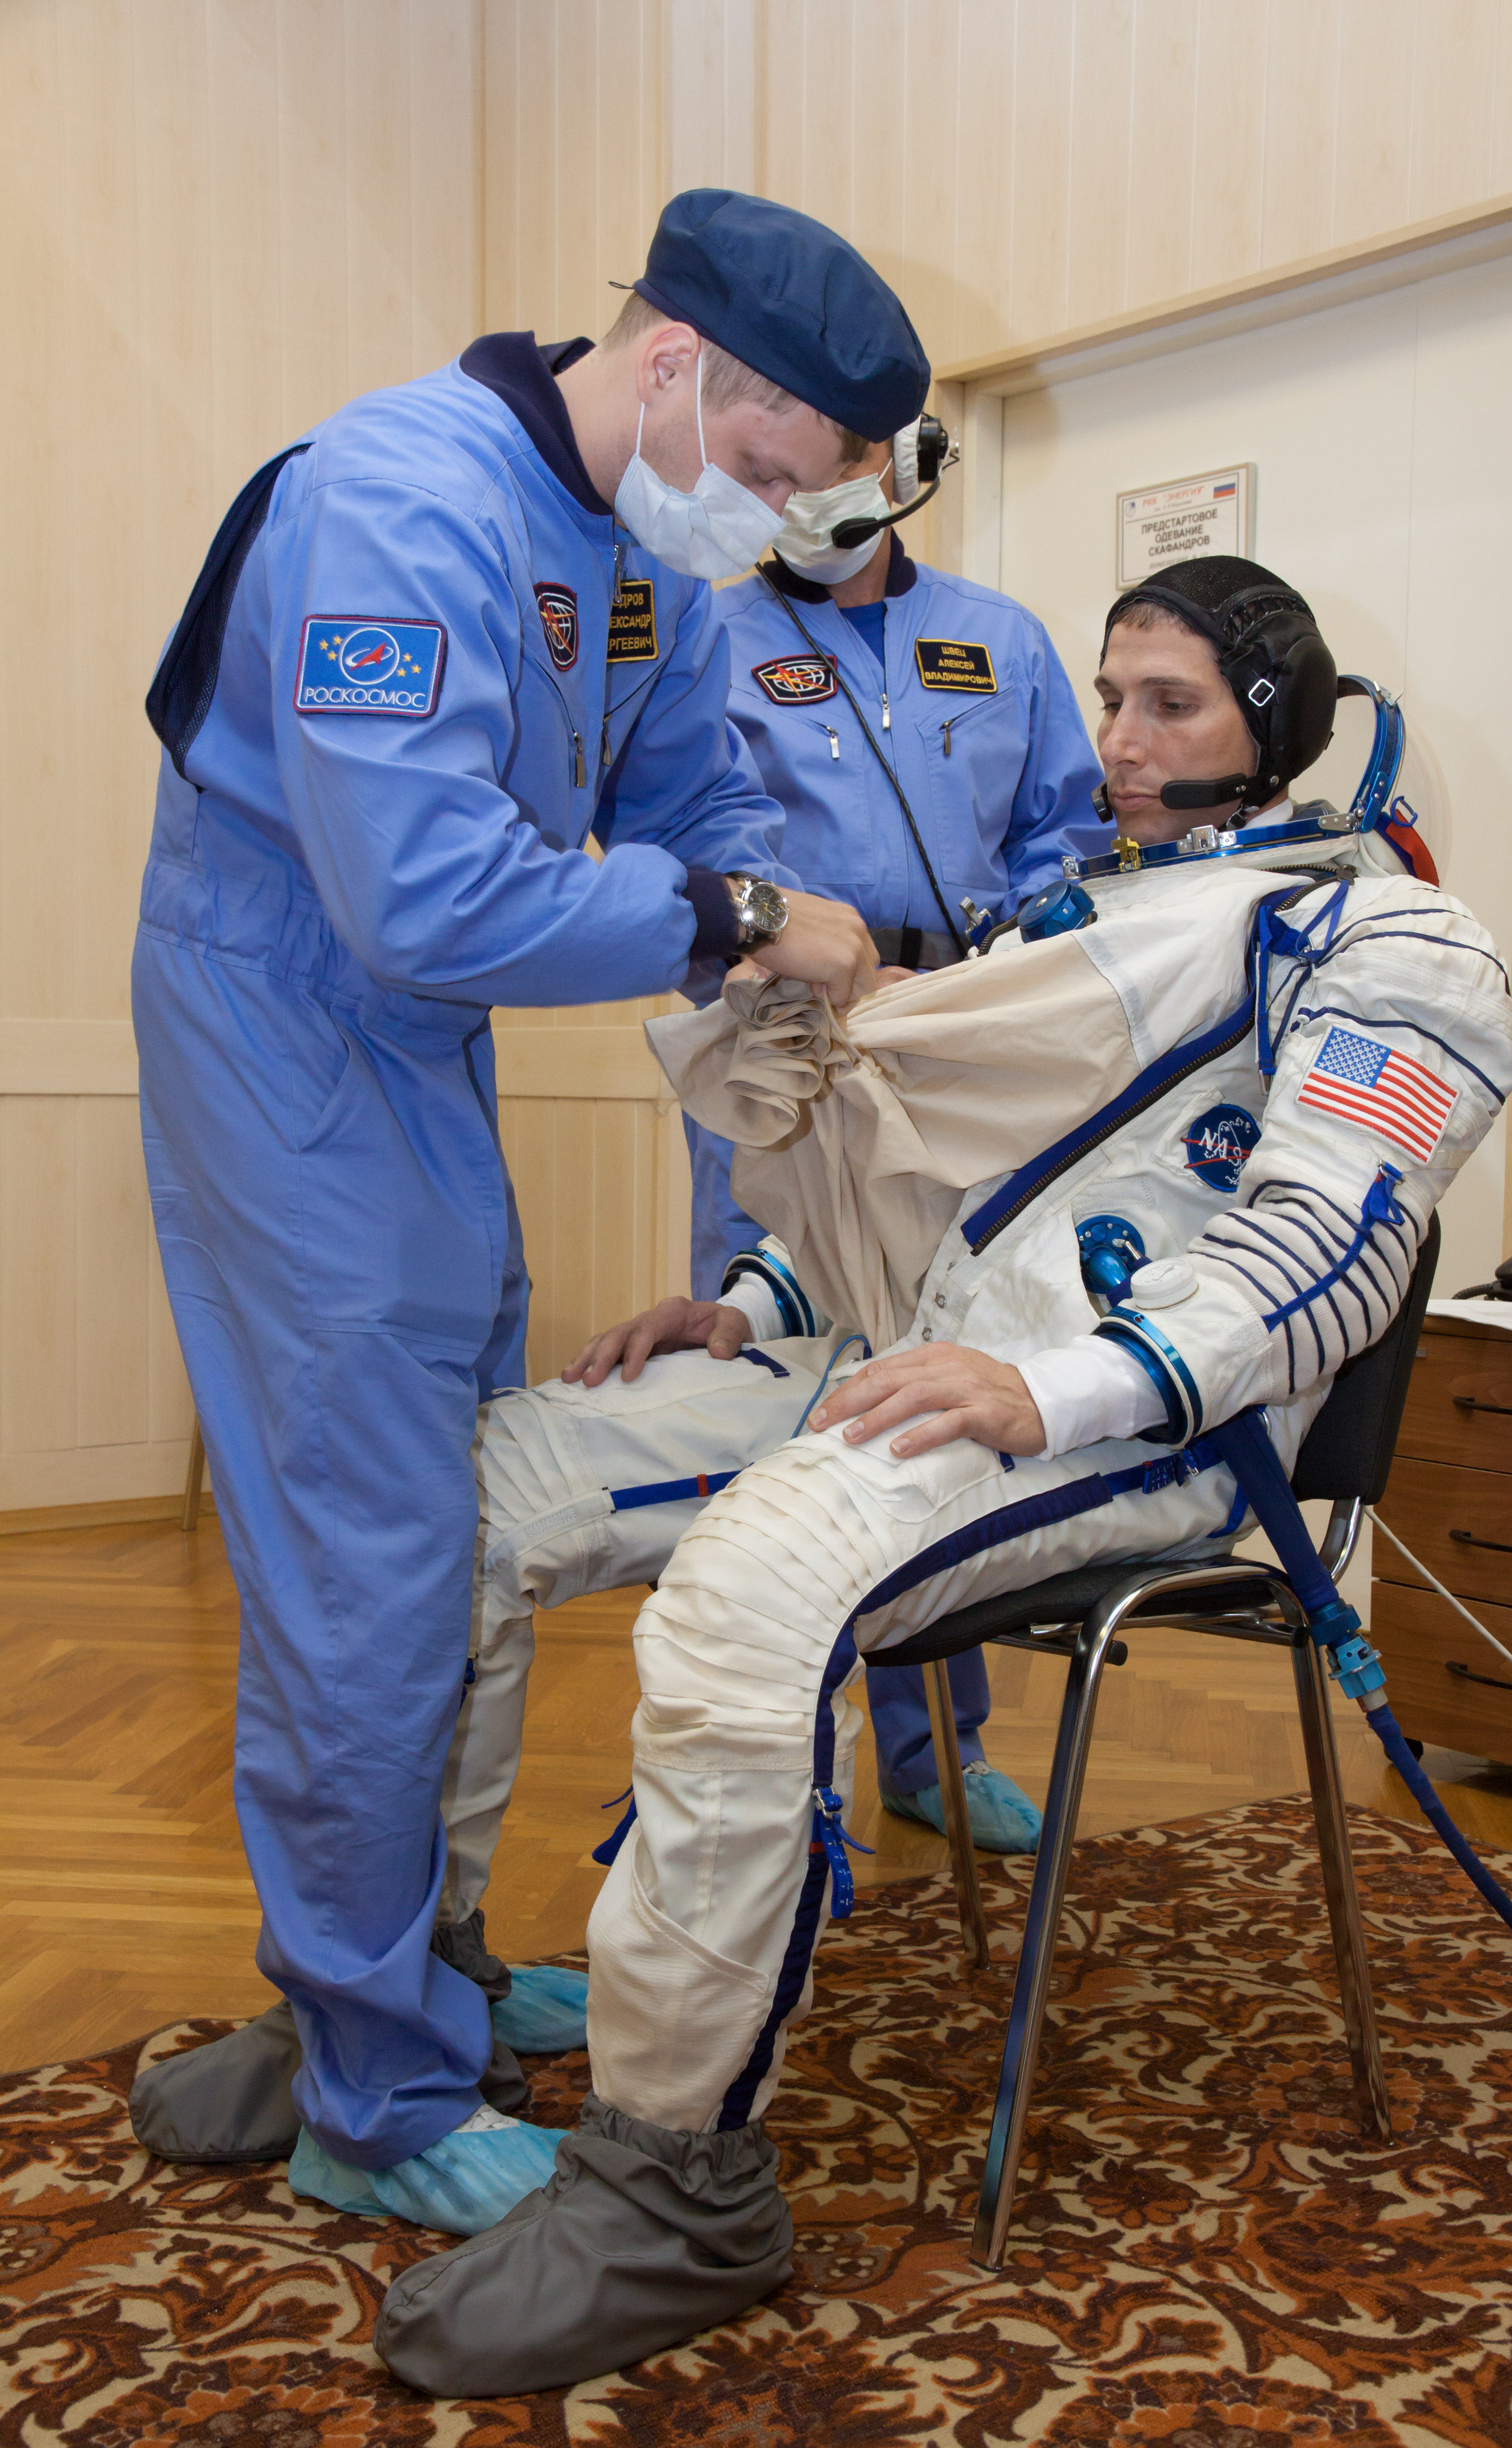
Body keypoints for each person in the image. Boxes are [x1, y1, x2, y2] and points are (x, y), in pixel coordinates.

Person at [368, 555, 1512, 2395]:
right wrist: (751, 1310)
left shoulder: (1386, 941)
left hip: (1152, 1429)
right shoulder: (1068, 925)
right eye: (1113, 698)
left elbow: (1334, 1247)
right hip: (939, 1366)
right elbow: (927, 1193)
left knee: (754, 1594)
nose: (1121, 741)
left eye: (1170, 705)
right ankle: (414, 1989)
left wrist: (1059, 1386)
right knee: (475, 1491)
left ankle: (674, 2186)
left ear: (1278, 728)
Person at [127, 188, 928, 2230]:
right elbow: (422, 894)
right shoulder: (397, 505)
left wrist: (765, 910)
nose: (771, 523)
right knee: (370, 1569)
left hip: (420, 1052)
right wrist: (739, 921)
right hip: (289, 1027)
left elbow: (696, 804)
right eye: (765, 473)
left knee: (463, 1508)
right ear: (672, 364)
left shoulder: (645, 547)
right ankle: (374, 2098)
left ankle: (431, 1975)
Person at [686, 438, 1115, 1854]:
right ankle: (768, 1750)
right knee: (779, 1369)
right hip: (791, 1042)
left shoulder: (999, 639)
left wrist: (1012, 974)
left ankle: (938, 1746)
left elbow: (1067, 835)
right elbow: (691, 842)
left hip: (965, 1044)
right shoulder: (706, 633)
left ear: (903, 462)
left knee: (936, 1376)